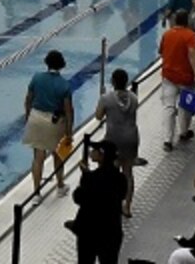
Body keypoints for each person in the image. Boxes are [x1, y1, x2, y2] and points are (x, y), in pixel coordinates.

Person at [69, 140, 127, 264]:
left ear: (101, 155)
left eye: (94, 150)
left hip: (90, 232)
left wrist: (85, 175)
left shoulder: (92, 178)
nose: (90, 152)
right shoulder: (120, 178)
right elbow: (121, 195)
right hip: (112, 231)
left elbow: (78, 197)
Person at [25, 49, 74, 193]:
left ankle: (36, 193)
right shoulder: (64, 85)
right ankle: (60, 186)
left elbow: (28, 100)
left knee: (38, 157)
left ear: (46, 63)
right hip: (54, 122)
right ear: (62, 65)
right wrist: (69, 133)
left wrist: (28, 118)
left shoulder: (36, 78)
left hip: (36, 118)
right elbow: (69, 111)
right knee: (58, 155)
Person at [94, 68, 142, 217]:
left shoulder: (106, 98)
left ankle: (112, 203)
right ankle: (127, 206)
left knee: (111, 172)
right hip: (131, 138)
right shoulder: (134, 98)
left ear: (113, 82)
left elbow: (98, 116)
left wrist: (102, 99)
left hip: (113, 139)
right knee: (128, 173)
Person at [159, 11, 195, 150]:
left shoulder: (167, 34)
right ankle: (183, 132)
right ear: (187, 21)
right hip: (185, 77)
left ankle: (167, 140)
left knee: (169, 107)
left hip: (168, 76)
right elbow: (192, 54)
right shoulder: (191, 35)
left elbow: (161, 51)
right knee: (185, 106)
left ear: (175, 20)